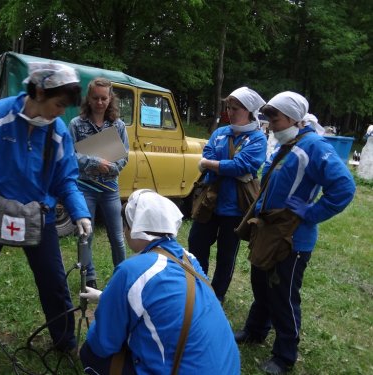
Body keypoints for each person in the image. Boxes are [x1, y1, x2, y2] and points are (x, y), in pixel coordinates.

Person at [0, 62, 92, 353]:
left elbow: (66, 179)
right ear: (39, 91)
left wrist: (80, 212)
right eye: (59, 104)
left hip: (38, 214)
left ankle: (66, 342)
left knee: (53, 282)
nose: (61, 112)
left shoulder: (58, 131)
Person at [234, 91, 356, 374]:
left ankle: (285, 355)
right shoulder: (286, 145)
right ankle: (255, 330)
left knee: (284, 295)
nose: (270, 123)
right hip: (269, 232)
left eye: (274, 117)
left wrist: (311, 213)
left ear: (292, 117)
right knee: (261, 285)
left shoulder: (314, 146)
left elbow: (344, 188)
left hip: (292, 240)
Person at [78, 189, 240, 374]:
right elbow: (166, 301)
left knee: (90, 353)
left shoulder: (131, 271)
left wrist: (110, 307)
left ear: (135, 229)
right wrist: (106, 297)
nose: (124, 231)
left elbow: (104, 343)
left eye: (126, 226)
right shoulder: (188, 259)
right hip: (227, 367)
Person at [188, 86, 267, 303]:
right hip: (209, 203)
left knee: (226, 255)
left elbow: (242, 166)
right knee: (196, 245)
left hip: (235, 208)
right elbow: (209, 154)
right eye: (228, 107)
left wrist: (210, 164)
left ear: (250, 111)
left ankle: (217, 295)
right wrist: (220, 164)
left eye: (235, 108)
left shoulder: (258, 139)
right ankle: (199, 287)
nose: (230, 112)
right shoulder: (220, 133)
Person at [68, 77, 129, 289]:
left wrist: (111, 166)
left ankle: (121, 277)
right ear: (89, 98)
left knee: (118, 237)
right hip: (85, 188)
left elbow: (124, 157)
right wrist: (95, 161)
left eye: (104, 98)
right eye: (96, 98)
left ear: (110, 98)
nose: (100, 102)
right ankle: (89, 278)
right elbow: (69, 156)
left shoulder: (118, 125)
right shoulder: (76, 124)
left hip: (110, 188)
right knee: (87, 234)